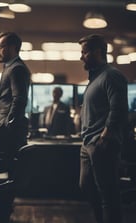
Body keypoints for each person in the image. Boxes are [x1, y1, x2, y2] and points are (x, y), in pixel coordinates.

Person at [78, 34, 128, 223]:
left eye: (84, 52)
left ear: (97, 51)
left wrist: (105, 136)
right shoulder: (95, 78)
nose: (81, 57)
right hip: (88, 144)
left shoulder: (111, 75)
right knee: (87, 187)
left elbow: (119, 109)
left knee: (108, 195)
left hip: (101, 143)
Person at [0, 32, 31, 223]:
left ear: (14, 47)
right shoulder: (10, 68)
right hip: (4, 130)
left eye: (1, 46)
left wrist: (7, 124)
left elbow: (19, 99)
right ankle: (2, 212)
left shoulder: (17, 69)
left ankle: (2, 214)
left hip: (8, 133)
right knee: (5, 173)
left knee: (7, 173)